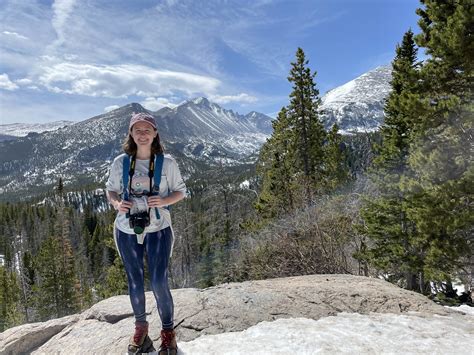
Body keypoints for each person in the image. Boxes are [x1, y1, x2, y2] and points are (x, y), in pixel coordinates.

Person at [106, 112, 186, 354]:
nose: (142, 134)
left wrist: (162, 201)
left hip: (159, 228)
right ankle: (141, 329)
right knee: (134, 280)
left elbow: (181, 191)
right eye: (137, 129)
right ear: (130, 133)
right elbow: (110, 191)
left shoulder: (167, 163)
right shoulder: (121, 162)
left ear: (155, 133)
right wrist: (118, 204)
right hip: (126, 229)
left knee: (159, 280)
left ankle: (168, 332)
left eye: (147, 129)